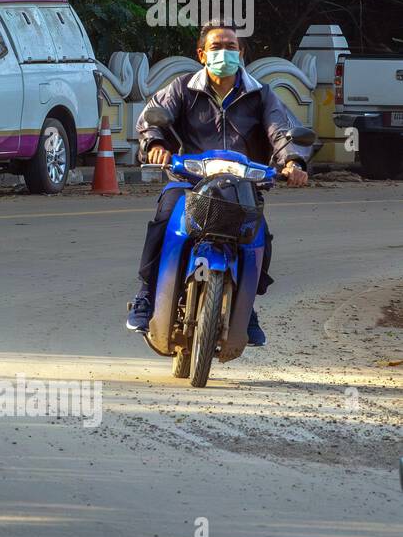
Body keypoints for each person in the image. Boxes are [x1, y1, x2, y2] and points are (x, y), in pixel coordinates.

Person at [125, 20, 312, 345]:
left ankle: (247, 305)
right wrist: (154, 144)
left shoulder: (261, 94)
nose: (224, 52)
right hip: (188, 181)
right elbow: (151, 115)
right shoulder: (182, 88)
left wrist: (292, 160)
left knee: (260, 238)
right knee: (163, 220)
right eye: (216, 47)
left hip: (242, 186)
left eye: (231, 47)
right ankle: (145, 294)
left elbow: (281, 129)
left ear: (241, 53)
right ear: (201, 54)